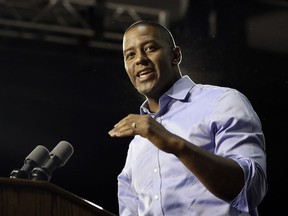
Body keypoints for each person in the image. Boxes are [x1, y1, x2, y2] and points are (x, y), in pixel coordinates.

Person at [108, 20, 267, 216]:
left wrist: (175, 144)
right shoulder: (136, 146)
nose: (139, 59)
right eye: (130, 55)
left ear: (175, 56)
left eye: (150, 48)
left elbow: (251, 190)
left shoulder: (222, 102)